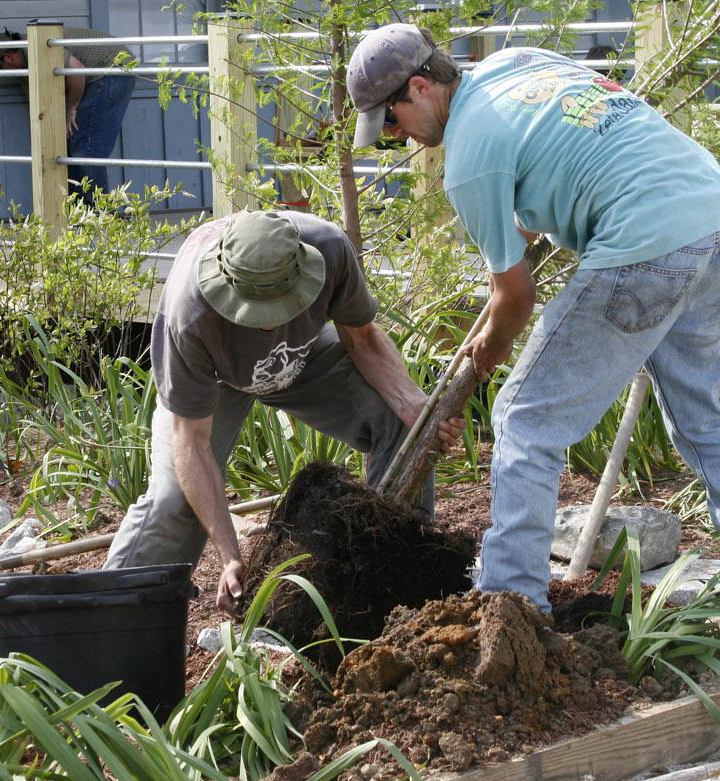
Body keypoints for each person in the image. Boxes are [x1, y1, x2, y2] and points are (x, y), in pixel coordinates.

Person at [346, 23, 720, 613]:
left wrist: (482, 359)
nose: (398, 139)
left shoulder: (468, 158)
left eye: (390, 122)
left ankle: (511, 611)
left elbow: (514, 298)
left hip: (644, 244)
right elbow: (572, 146)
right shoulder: (517, 63)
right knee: (702, 422)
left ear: (418, 88)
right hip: (711, 216)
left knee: (525, 419)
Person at [103, 209, 459, 613]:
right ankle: (111, 616)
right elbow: (192, 441)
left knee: (401, 423)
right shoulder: (188, 314)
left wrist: (413, 404)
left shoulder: (329, 249)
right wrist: (229, 554)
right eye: (255, 315)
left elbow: (361, 340)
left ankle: (393, 584)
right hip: (218, 380)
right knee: (173, 503)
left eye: (280, 308)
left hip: (302, 355)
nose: (267, 327)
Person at [0, 25, 136, 203]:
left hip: (112, 67)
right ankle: (78, 211)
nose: (3, 71)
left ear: (8, 57)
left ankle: (101, 215)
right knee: (69, 149)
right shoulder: (25, 69)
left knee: (86, 149)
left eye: (0, 66)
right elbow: (39, 106)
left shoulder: (35, 48)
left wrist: (72, 108)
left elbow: (76, 69)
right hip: (95, 75)